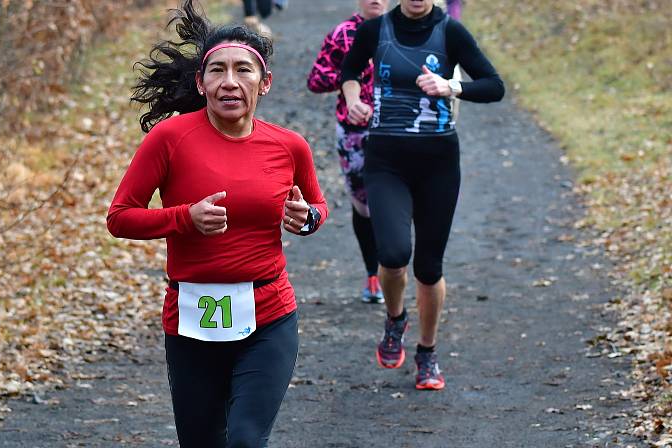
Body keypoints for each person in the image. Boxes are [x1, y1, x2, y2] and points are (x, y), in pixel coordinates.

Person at [107, 1, 329, 446]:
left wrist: (306, 219)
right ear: (200, 82)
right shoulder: (169, 139)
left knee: (246, 440)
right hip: (191, 318)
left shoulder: (289, 146)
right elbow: (120, 218)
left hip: (268, 314)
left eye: (243, 70)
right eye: (218, 71)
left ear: (264, 83)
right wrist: (183, 219)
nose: (230, 82)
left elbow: (316, 208)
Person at [341, 0, 504, 390]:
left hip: (438, 165)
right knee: (393, 255)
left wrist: (451, 86)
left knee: (429, 268)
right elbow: (349, 70)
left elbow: (494, 86)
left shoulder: (451, 32)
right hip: (385, 161)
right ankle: (395, 320)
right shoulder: (374, 30)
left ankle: (427, 352)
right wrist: (353, 100)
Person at [306, 0, 390, 304]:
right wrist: (350, 72)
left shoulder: (401, 31)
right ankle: (372, 274)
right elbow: (315, 80)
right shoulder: (342, 34)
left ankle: (393, 269)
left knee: (397, 200)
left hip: (397, 129)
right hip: (354, 134)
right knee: (364, 206)